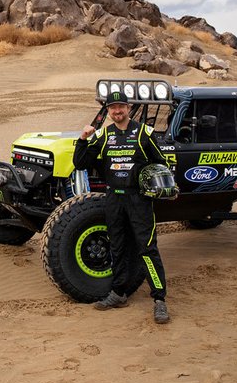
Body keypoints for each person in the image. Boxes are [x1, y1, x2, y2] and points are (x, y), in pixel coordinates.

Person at [73, 90, 172, 324]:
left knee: (147, 249)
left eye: (121, 107)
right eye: (112, 108)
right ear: (108, 112)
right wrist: (83, 138)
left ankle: (159, 300)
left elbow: (162, 163)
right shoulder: (103, 136)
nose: (117, 111)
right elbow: (80, 162)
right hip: (113, 200)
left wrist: (162, 186)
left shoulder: (143, 133)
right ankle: (118, 294)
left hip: (139, 200)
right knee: (117, 248)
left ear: (128, 108)